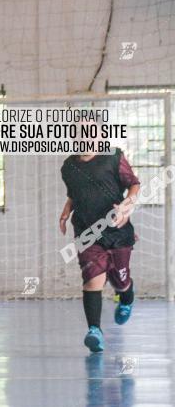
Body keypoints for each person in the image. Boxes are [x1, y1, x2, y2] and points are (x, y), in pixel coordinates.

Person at [60, 146, 140, 352]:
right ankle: (94, 331)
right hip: (87, 232)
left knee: (120, 282)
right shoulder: (69, 166)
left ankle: (126, 297)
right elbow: (74, 194)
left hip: (117, 231)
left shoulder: (113, 157)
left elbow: (134, 185)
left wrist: (125, 206)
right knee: (92, 280)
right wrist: (66, 210)